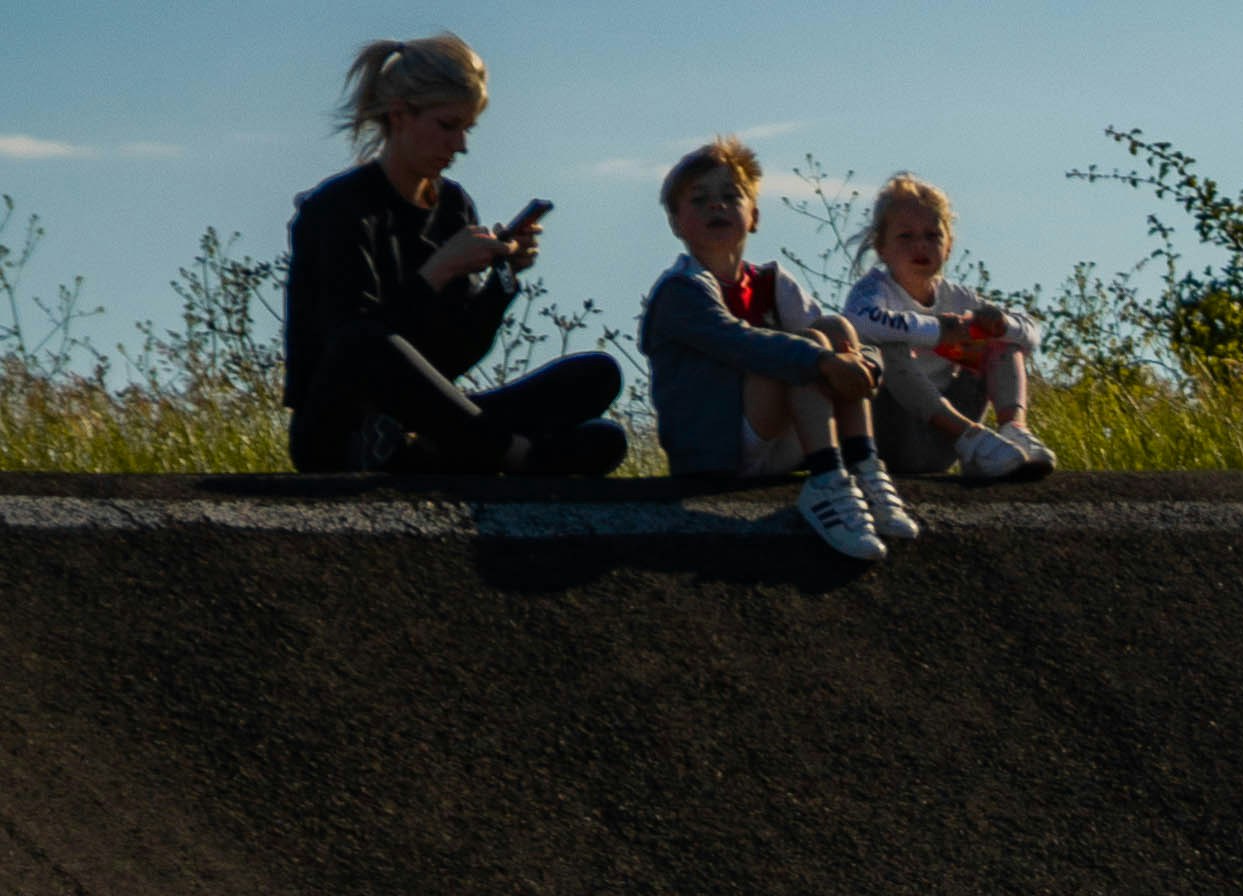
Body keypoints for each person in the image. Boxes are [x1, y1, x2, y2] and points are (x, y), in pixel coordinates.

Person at [286, 34, 624, 480]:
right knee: (366, 340)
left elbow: (452, 358)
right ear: (400, 115)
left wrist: (501, 279)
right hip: (340, 430)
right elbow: (355, 354)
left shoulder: (452, 207)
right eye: (448, 126)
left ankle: (436, 454)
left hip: (430, 421)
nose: (460, 145)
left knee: (597, 376)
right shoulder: (337, 210)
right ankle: (512, 455)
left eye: (468, 128)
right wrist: (439, 270)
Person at [638, 138, 919, 565]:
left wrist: (865, 365)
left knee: (833, 328)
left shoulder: (771, 281)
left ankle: (863, 466)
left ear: (754, 217)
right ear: (675, 223)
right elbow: (739, 341)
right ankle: (826, 480)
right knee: (801, 350)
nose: (717, 206)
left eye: (731, 197)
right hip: (715, 451)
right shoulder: (681, 290)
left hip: (773, 443)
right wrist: (825, 362)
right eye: (699, 200)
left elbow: (838, 343)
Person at [840, 179, 1055, 484]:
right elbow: (860, 322)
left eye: (932, 236)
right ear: (881, 247)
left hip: (943, 444)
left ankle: (1014, 432)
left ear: (949, 244)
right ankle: (974, 438)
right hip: (891, 436)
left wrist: (1000, 325)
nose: (921, 246)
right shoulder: (873, 290)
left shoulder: (958, 297)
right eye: (905, 236)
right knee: (889, 345)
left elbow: (1031, 333)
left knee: (1002, 341)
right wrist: (941, 330)